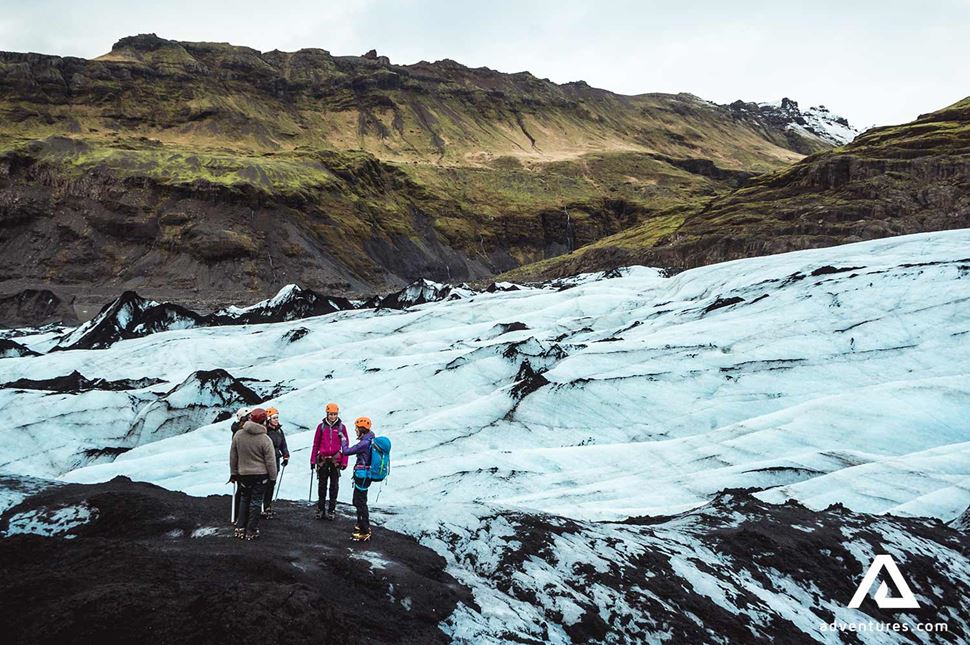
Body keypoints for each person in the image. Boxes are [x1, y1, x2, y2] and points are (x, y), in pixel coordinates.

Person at [229, 407, 277, 540]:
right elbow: (270, 462)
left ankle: (240, 527)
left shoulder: (239, 435)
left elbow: (233, 456)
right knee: (256, 501)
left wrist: (234, 473)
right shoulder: (265, 439)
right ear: (263, 422)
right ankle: (251, 530)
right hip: (261, 475)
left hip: (243, 474)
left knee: (244, 499)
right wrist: (273, 477)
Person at [310, 403, 349, 520]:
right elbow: (316, 444)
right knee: (322, 486)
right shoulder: (321, 427)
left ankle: (331, 510)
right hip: (322, 460)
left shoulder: (342, 428)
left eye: (335, 414)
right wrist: (313, 460)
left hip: (335, 461)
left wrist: (344, 461)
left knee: (334, 486)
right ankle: (321, 509)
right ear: (327, 414)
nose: (333, 416)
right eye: (331, 414)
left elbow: (345, 444)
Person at [340, 416, 375, 542]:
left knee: (360, 502)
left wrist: (343, 439)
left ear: (362, 429)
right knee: (359, 500)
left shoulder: (364, 443)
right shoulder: (371, 440)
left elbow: (346, 451)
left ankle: (365, 530)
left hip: (362, 475)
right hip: (365, 475)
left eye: (356, 429)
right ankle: (361, 524)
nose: (355, 431)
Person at [261, 407, 290, 518]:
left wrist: (286, 455)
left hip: (276, 459)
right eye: (274, 418)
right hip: (265, 460)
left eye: (277, 417)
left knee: (272, 483)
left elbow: (283, 444)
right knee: (264, 483)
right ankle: (261, 506)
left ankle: (267, 505)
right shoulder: (264, 431)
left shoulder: (279, 430)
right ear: (268, 419)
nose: (276, 420)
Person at [229, 406, 251, 524]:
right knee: (242, 491)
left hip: (241, 465)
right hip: (242, 465)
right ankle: (240, 515)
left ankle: (240, 515)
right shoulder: (239, 433)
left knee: (242, 490)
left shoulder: (237, 431)